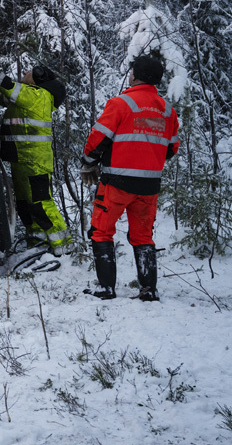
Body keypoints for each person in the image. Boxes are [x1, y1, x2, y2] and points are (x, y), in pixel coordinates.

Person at [80, 52, 179, 301]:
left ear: (136, 76)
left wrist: (88, 163)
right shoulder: (169, 111)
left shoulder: (120, 104)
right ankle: (148, 290)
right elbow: (171, 150)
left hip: (117, 183)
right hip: (149, 186)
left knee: (101, 232)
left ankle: (106, 288)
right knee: (143, 236)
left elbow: (98, 139)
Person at [0, 57, 72, 255]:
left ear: (38, 78)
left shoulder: (38, 96)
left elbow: (7, 85)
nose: (25, 73)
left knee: (40, 202)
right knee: (25, 204)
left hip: (34, 161)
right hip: (21, 159)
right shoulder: (26, 97)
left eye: (29, 71)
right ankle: (37, 240)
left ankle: (64, 246)